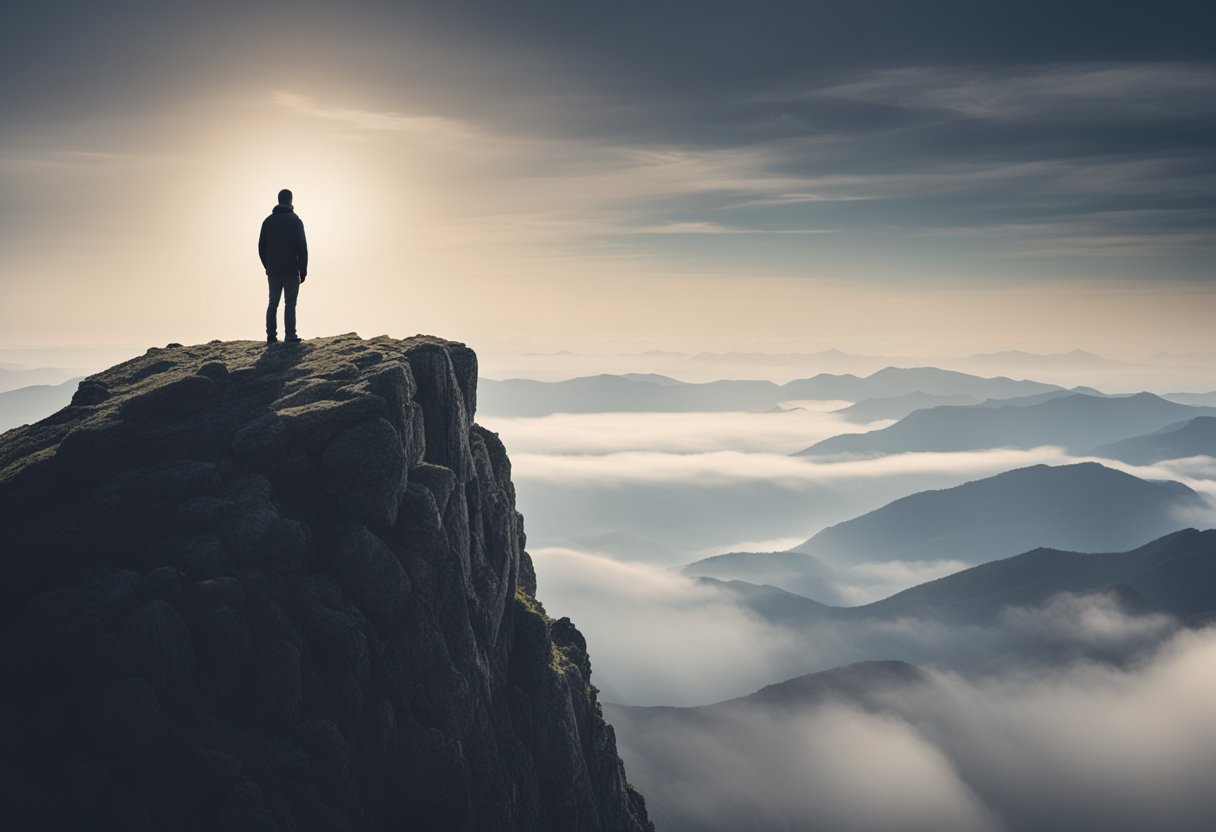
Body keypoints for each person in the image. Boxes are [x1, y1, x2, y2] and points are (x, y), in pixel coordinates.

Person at [258, 188, 309, 343]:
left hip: (273, 270)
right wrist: (303, 270)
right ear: (290, 200)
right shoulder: (295, 221)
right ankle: (290, 335)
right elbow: (302, 247)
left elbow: (261, 247)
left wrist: (268, 265)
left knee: (273, 302)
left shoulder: (268, 221)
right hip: (291, 269)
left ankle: (271, 336)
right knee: (290, 304)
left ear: (279, 200)